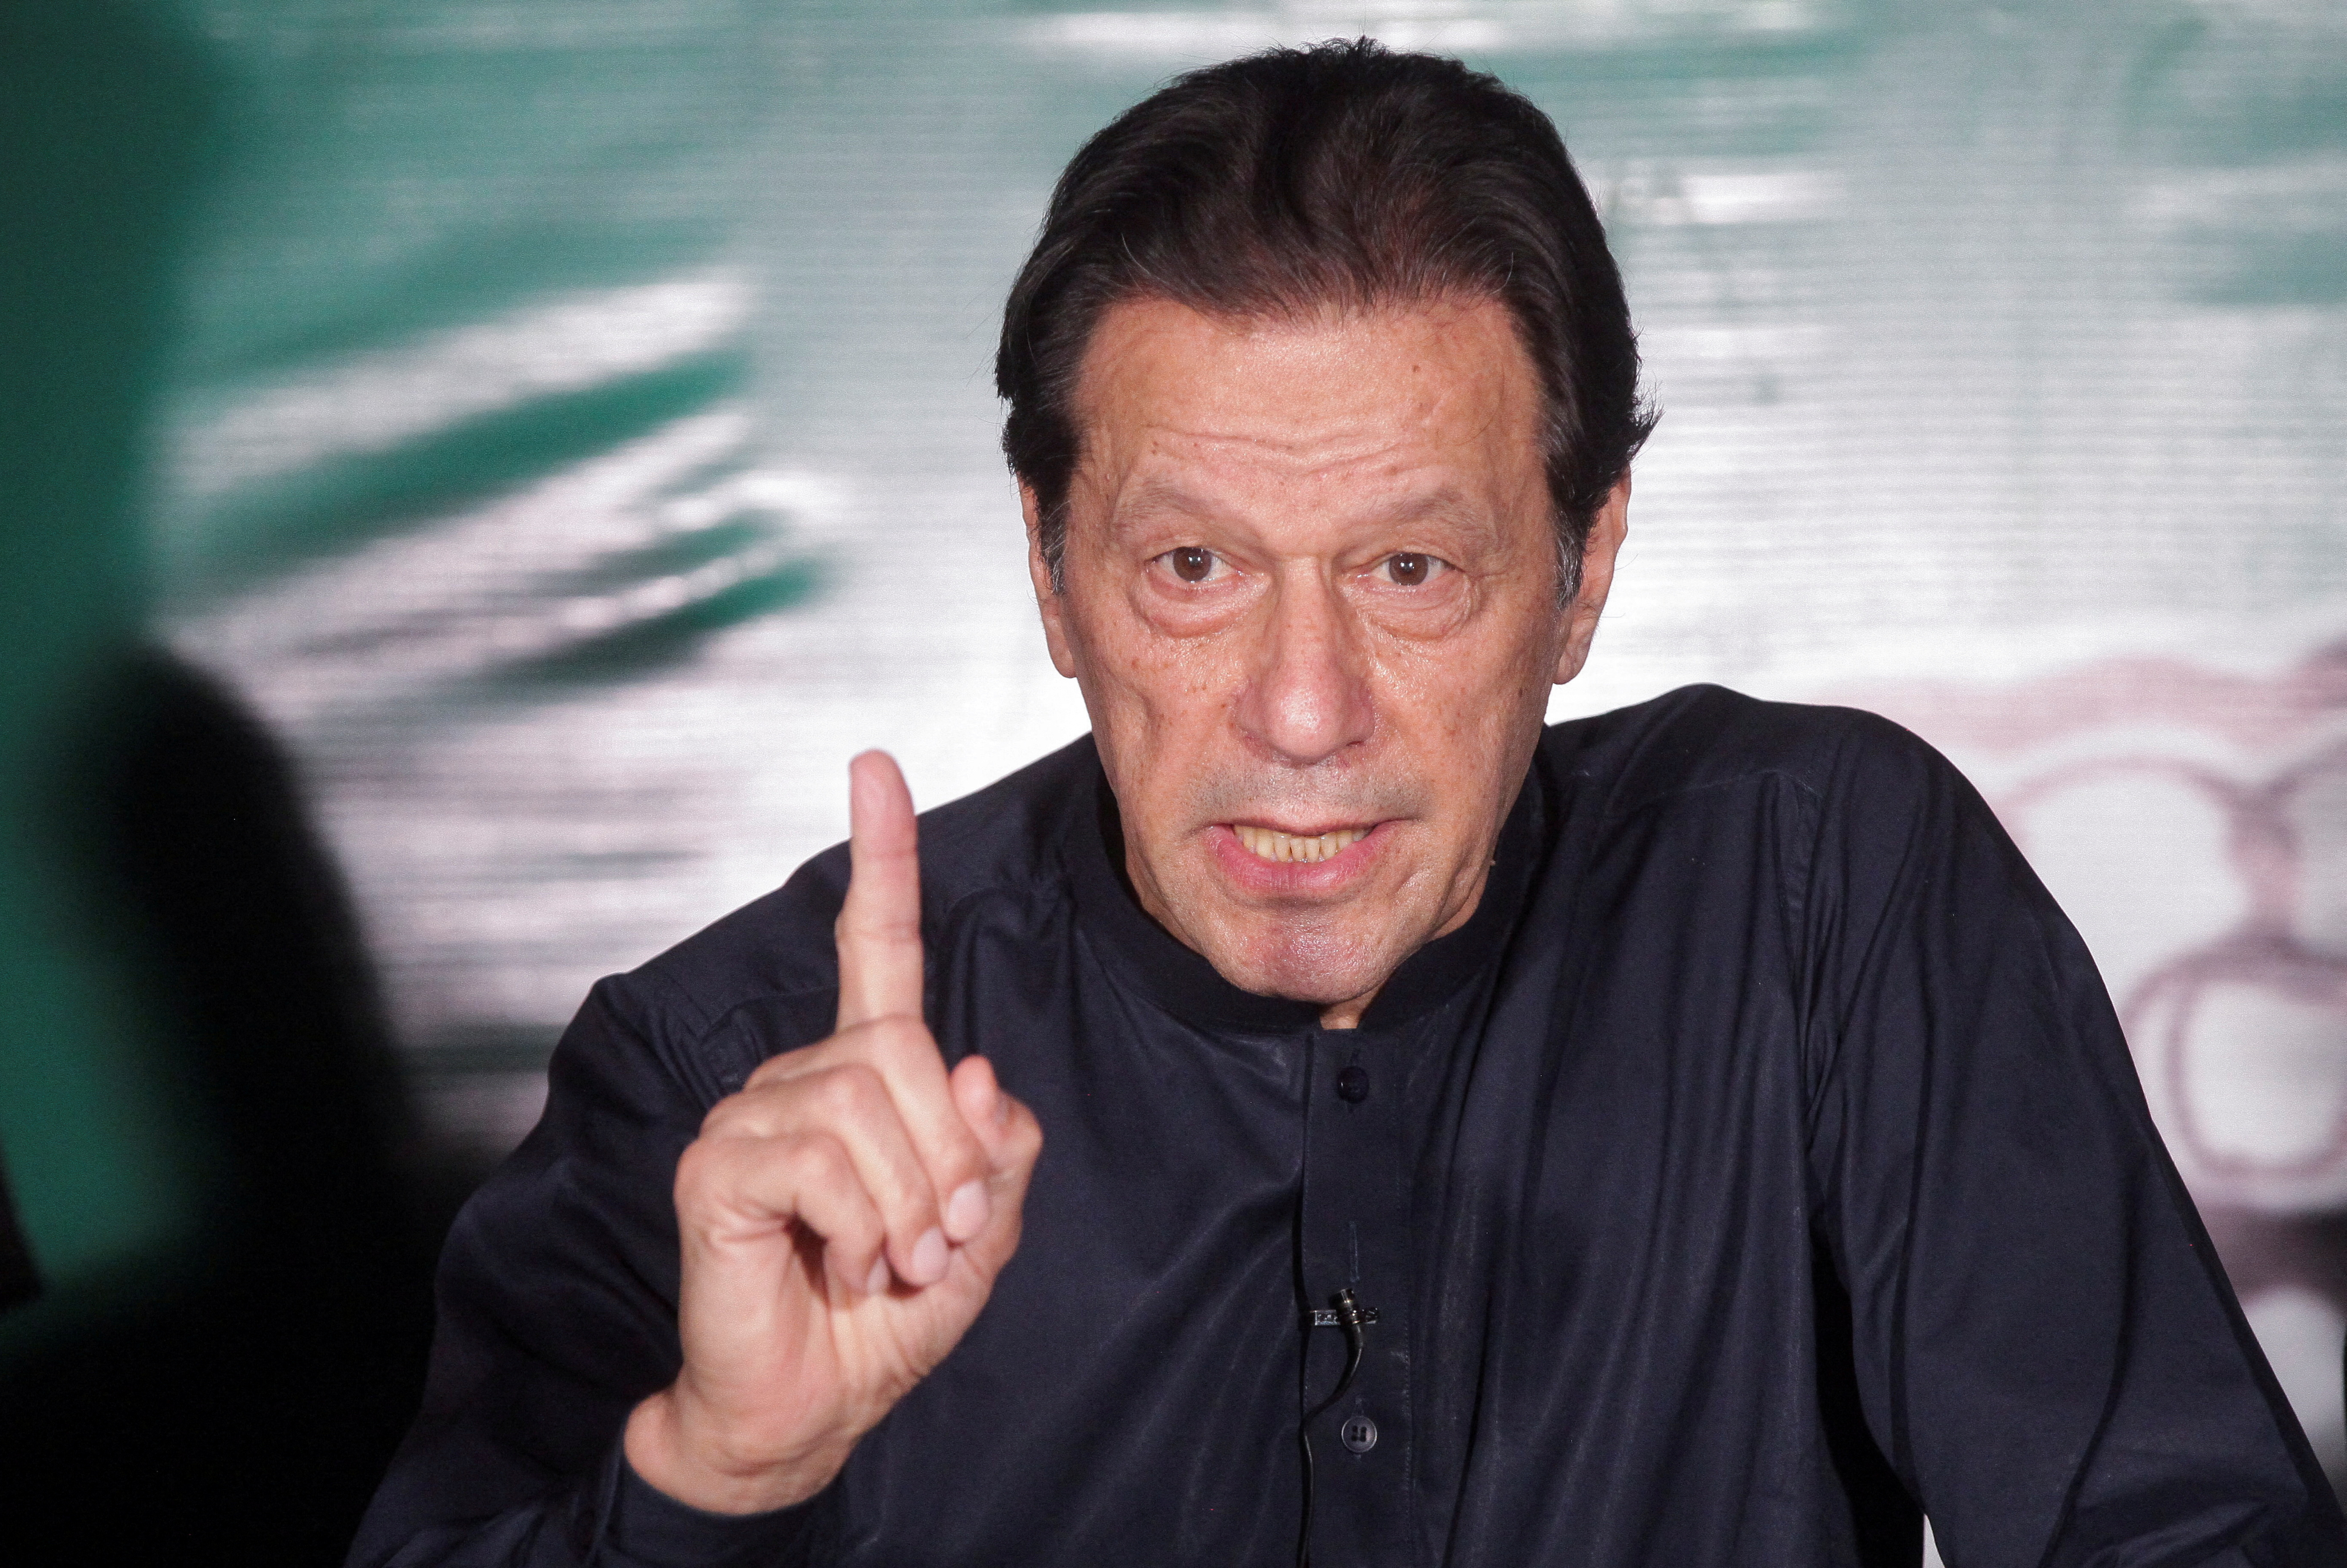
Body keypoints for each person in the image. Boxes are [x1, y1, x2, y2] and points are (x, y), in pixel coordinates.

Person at [351, 41, 2344, 1568]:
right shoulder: (726, 1073)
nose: (1302, 715)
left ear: (1583, 572)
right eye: (1193, 569)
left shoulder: (1820, 892)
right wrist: (718, 1480)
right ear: (1049, 572)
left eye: (1411, 570)